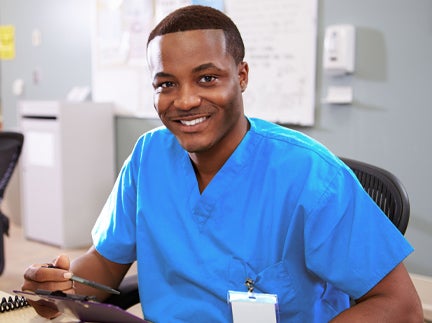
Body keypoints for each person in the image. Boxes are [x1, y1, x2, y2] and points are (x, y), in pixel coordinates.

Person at [22, 5, 423, 322]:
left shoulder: (312, 176)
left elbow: (400, 306)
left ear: (242, 75)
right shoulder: (148, 158)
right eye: (166, 84)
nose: (185, 100)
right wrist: (62, 284)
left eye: (207, 78)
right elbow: (105, 264)